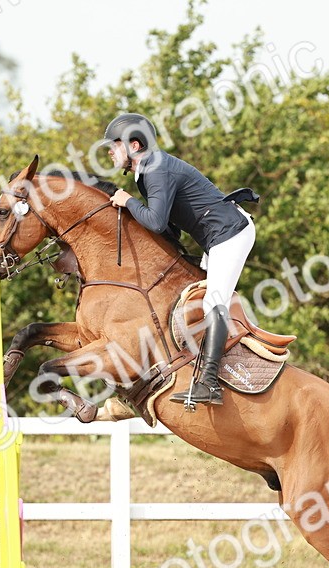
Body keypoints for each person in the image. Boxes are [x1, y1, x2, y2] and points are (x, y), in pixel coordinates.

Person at [104, 112, 256, 409]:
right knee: (195, 301)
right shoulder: (145, 171)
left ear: (134, 145)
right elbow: (170, 228)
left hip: (230, 233)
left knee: (214, 303)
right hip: (215, 238)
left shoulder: (156, 170)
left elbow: (158, 222)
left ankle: (209, 384)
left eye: (115, 145)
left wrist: (129, 202)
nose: (110, 151)